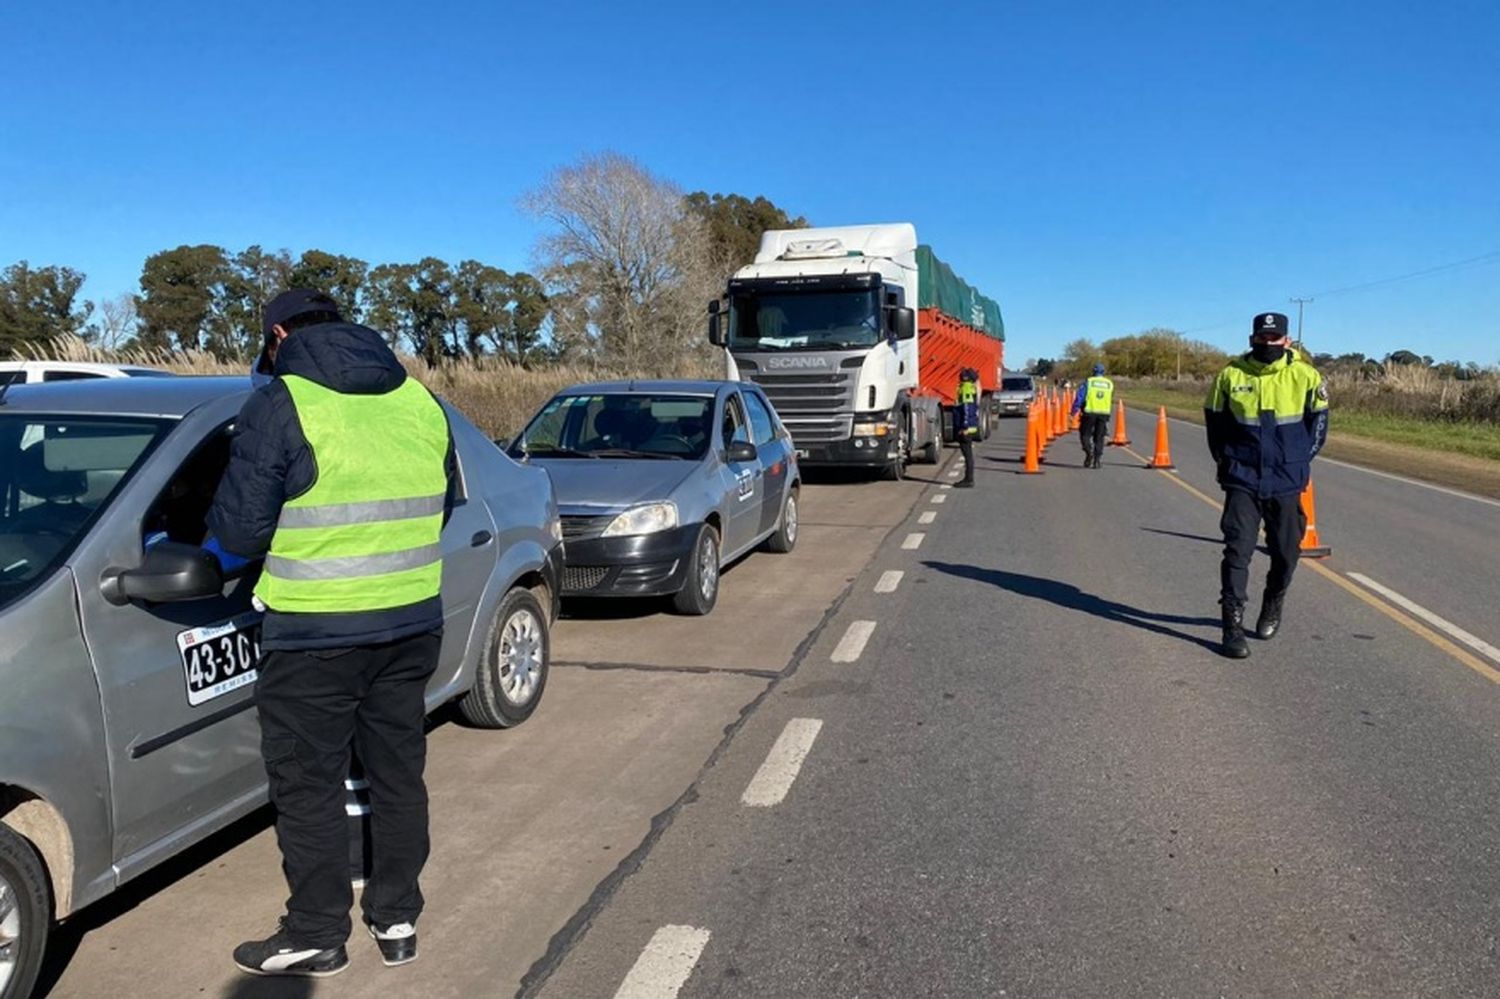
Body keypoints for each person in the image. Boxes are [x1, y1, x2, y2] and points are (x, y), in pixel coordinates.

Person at [210, 289, 457, 977]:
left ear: (279, 334)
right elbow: (441, 504)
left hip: (314, 632)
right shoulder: (419, 399)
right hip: (411, 623)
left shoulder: (282, 401)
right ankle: (397, 914)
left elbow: (236, 531)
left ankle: (317, 932)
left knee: (308, 784)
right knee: (398, 772)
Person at [1205, 311, 1329, 658]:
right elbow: (1215, 425)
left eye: (1274, 338)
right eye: (1261, 338)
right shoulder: (1230, 375)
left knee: (1287, 553)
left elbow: (1318, 427)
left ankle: (1273, 601)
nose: (1267, 343)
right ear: (1251, 338)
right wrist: (1226, 461)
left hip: (1287, 480)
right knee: (1237, 550)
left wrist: (1299, 460)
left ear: (1286, 341)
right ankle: (1232, 625)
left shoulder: (1306, 376)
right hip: (1243, 478)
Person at [1071, 362, 1114, 468]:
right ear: (1103, 372)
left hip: (1089, 412)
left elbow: (1080, 397)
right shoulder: (1109, 384)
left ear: (1093, 371)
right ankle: (1097, 460)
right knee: (1099, 437)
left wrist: (1074, 410)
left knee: (1084, 435)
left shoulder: (1089, 382)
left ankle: (1089, 453)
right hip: (1103, 414)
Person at [953, 367, 980, 487]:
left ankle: (969, 480)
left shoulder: (966, 389)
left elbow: (967, 408)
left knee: (967, 454)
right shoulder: (971, 388)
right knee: (968, 454)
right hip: (969, 426)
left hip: (966, 428)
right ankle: (968, 478)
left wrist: (964, 426)